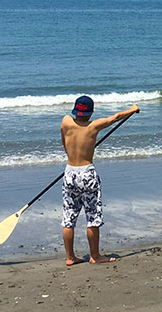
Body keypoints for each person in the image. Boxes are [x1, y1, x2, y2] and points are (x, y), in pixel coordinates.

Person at [60, 96, 140, 265]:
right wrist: (132, 109)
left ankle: (69, 257)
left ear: (75, 110)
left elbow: (64, 143)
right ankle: (95, 256)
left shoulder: (66, 121)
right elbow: (115, 117)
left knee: (69, 217)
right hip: (87, 174)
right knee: (92, 216)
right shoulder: (94, 126)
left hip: (69, 172)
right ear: (90, 113)